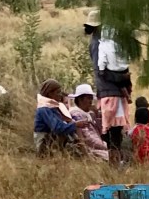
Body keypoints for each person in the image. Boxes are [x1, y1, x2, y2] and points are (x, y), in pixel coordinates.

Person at [85, 11, 133, 160]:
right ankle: (114, 162)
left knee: (113, 130)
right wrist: (122, 78)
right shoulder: (98, 44)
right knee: (114, 131)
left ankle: (114, 161)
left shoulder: (100, 42)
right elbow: (101, 72)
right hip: (111, 91)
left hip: (110, 91)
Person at [32, 79, 77, 152]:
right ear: (50, 93)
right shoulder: (44, 109)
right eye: (58, 92)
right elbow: (57, 128)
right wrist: (75, 125)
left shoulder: (53, 106)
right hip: (44, 143)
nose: (60, 95)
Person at [68, 83, 108, 160]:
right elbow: (88, 137)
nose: (91, 101)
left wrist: (97, 115)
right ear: (80, 99)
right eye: (88, 98)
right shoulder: (76, 114)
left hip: (98, 146)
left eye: (91, 98)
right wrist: (104, 145)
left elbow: (100, 131)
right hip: (90, 149)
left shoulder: (89, 114)